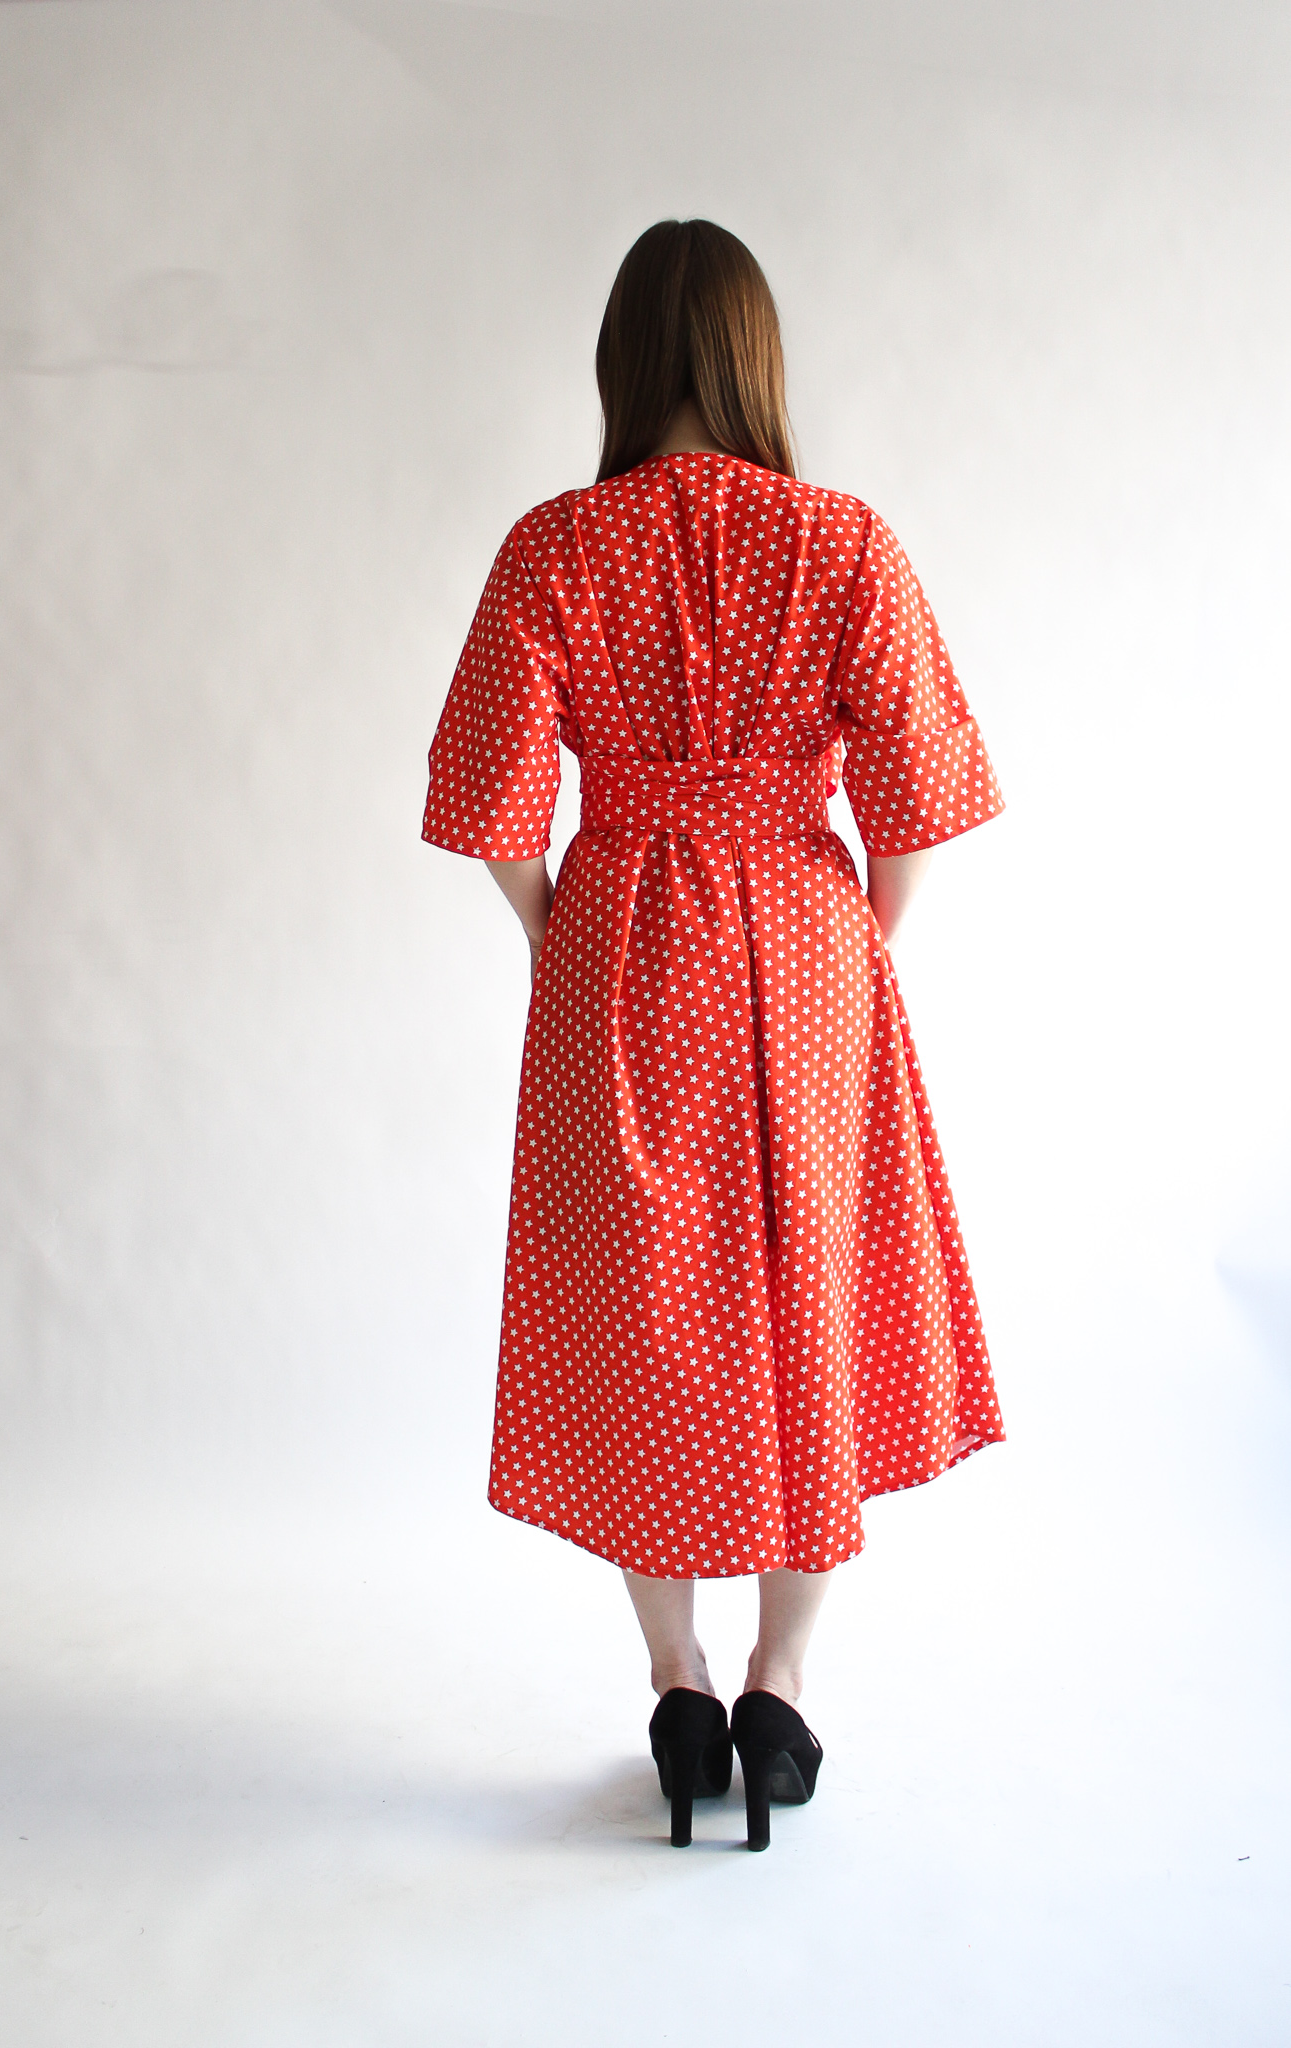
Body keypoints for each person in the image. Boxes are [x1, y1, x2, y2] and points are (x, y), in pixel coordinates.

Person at [423, 219, 1005, 1851]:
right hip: (809, 944)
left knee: (640, 1304)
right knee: (811, 1288)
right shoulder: (841, 540)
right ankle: (780, 1685)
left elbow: (489, 802)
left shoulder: (554, 546)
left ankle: (676, 1687)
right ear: (756, 357)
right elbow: (915, 800)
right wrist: (856, 940)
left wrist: (556, 928)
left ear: (620, 360)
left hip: (615, 940)